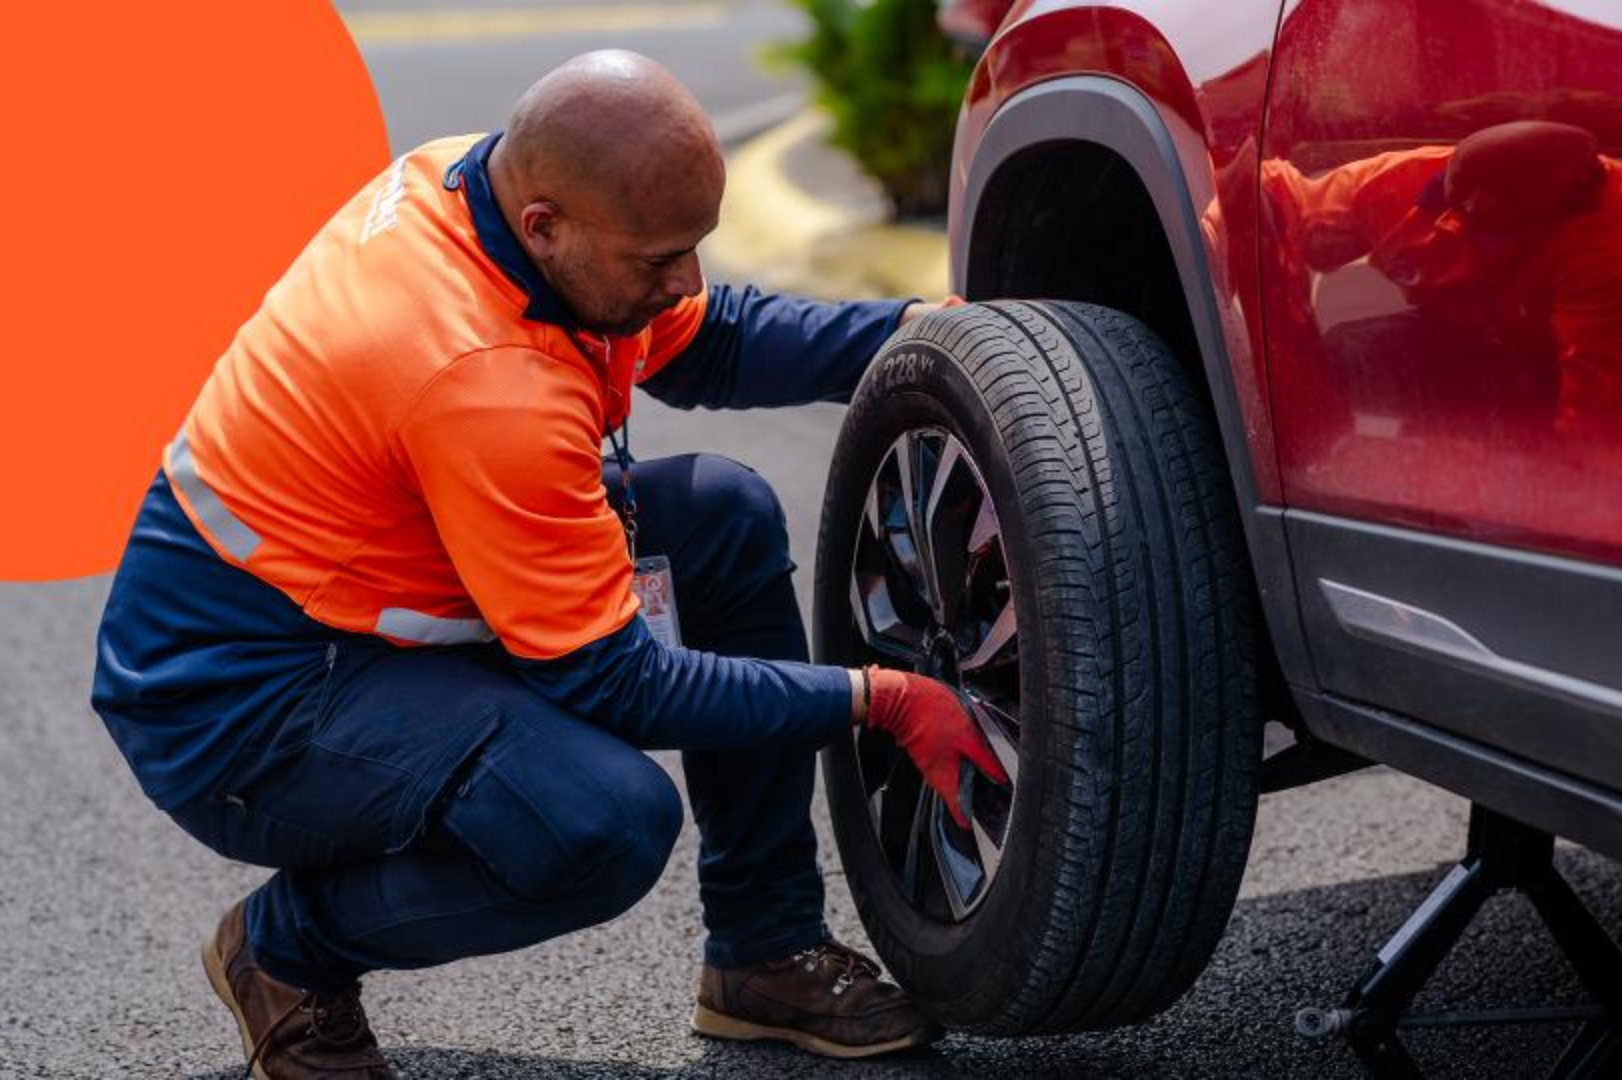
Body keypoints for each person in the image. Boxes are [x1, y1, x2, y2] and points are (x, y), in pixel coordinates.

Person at [90, 51, 1006, 1078]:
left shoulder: (485, 191)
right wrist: (877, 698)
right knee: (600, 822)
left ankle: (762, 951)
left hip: (368, 596)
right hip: (239, 698)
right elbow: (615, 681)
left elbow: (709, 343)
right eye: (658, 259)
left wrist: (913, 329)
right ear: (545, 229)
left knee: (722, 514)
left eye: (693, 248)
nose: (683, 282)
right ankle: (285, 952)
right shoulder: (482, 379)